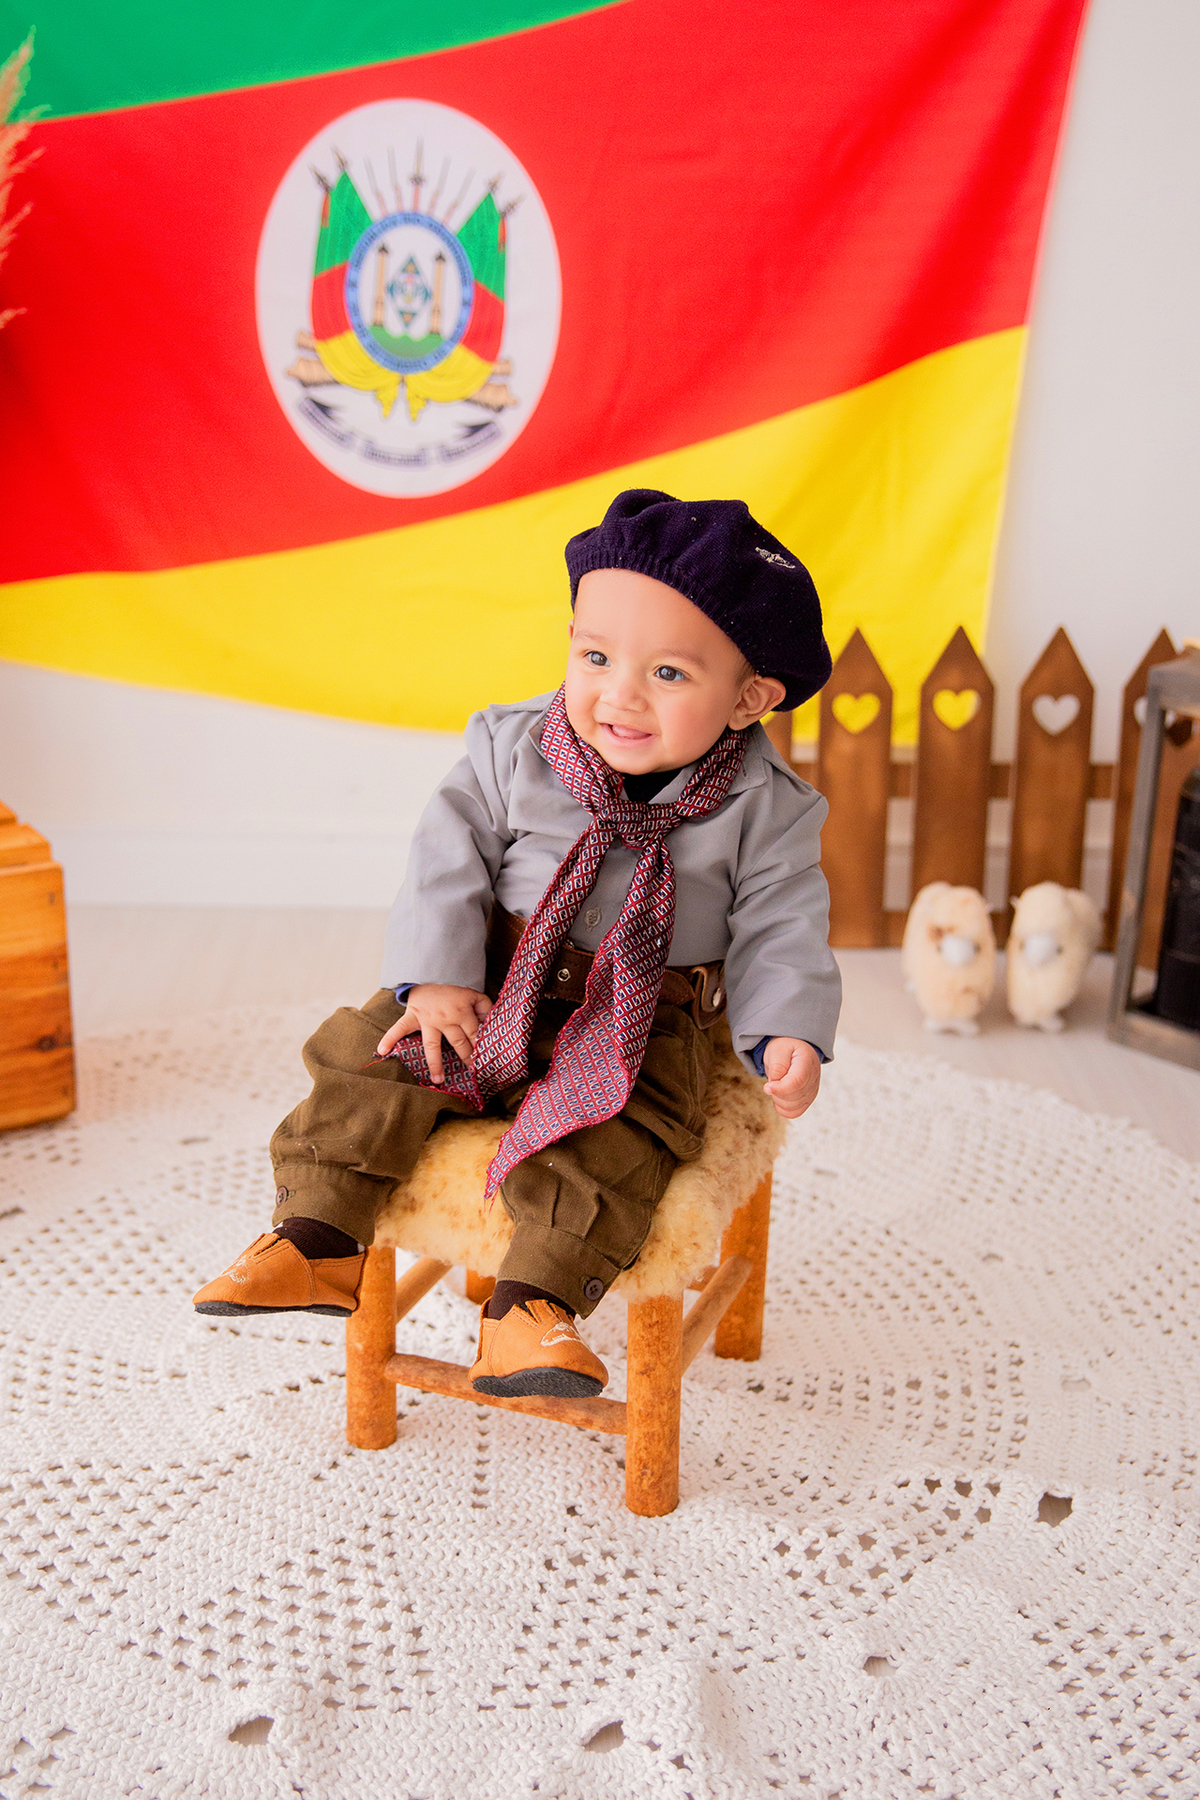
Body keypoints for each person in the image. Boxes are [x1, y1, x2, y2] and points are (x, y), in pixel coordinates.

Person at [193, 489, 842, 1399]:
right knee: (372, 1059)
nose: (616, 693)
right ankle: (314, 1237)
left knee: (618, 1142)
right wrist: (440, 979)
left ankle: (531, 1309)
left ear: (750, 699)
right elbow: (444, 860)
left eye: (667, 675)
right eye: (596, 655)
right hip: (493, 978)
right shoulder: (513, 747)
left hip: (641, 1015)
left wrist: (790, 1033)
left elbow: (784, 924)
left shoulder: (767, 811)